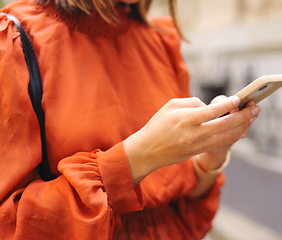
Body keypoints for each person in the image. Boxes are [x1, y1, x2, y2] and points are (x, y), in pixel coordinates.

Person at [0, 0, 260, 238]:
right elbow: (9, 225)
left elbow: (181, 206)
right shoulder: (15, 40)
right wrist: (138, 158)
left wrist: (211, 153)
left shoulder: (159, 41)